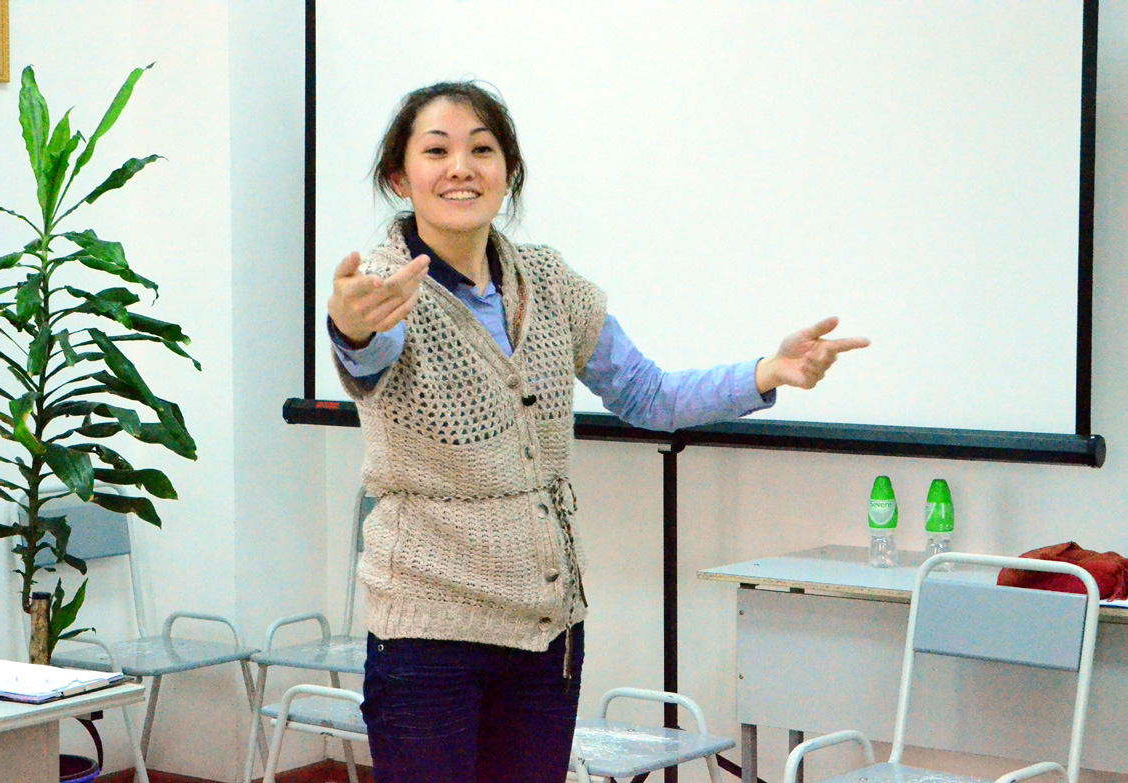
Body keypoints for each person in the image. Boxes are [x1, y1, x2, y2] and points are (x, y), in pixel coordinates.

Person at [326, 81, 869, 783]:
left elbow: (647, 393)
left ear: (508, 172)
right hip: (427, 633)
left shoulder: (548, 282)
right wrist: (351, 326)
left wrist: (766, 371)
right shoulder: (381, 287)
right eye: (436, 151)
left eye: (482, 150)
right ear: (400, 177)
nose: (461, 167)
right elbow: (365, 355)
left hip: (547, 629)